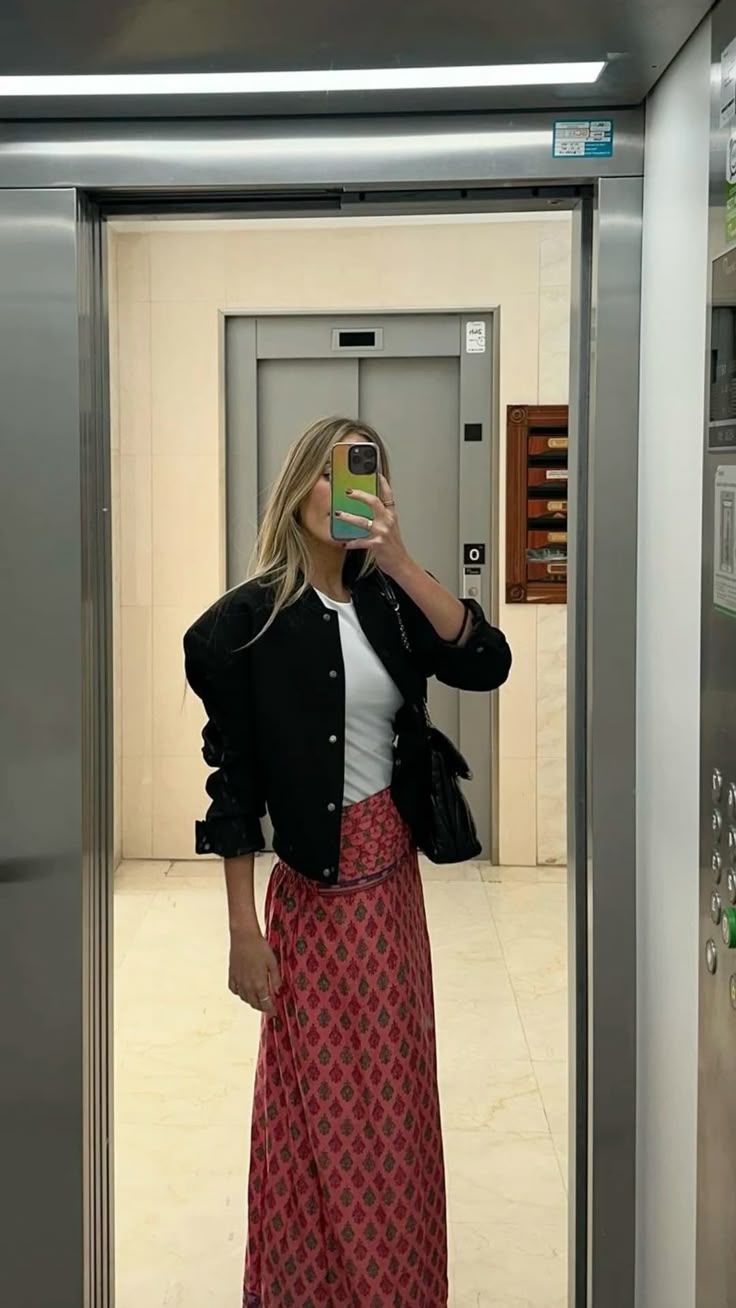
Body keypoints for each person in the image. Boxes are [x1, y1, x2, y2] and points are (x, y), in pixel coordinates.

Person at [183, 416, 511, 1307]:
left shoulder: (389, 602)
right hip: (312, 904)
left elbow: (486, 662)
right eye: (331, 475)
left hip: (391, 897)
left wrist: (400, 559)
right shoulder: (243, 627)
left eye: (365, 473)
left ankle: (398, 1288)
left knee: (395, 1113)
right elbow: (233, 787)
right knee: (314, 1122)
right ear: (299, 489)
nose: (346, 492)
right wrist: (242, 932)